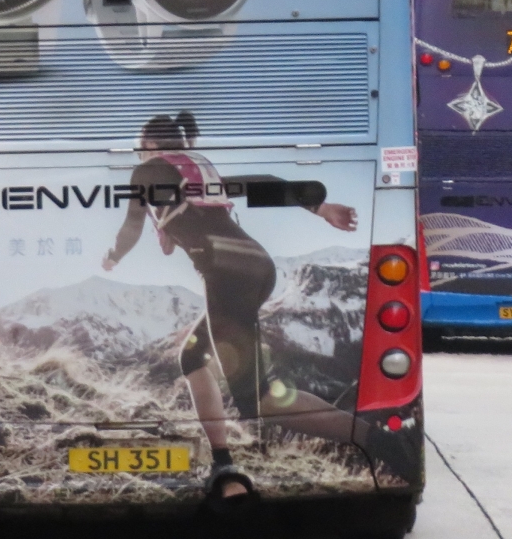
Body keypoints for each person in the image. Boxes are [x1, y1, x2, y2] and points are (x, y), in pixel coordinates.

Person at [102, 112, 417, 502]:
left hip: (227, 275)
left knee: (261, 400)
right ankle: (222, 459)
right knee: (193, 357)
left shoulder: (150, 169)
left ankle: (380, 441)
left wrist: (113, 256)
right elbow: (261, 184)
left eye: (138, 147)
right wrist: (321, 207)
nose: (136, 155)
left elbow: (132, 225)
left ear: (150, 144)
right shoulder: (198, 170)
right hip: (257, 267)